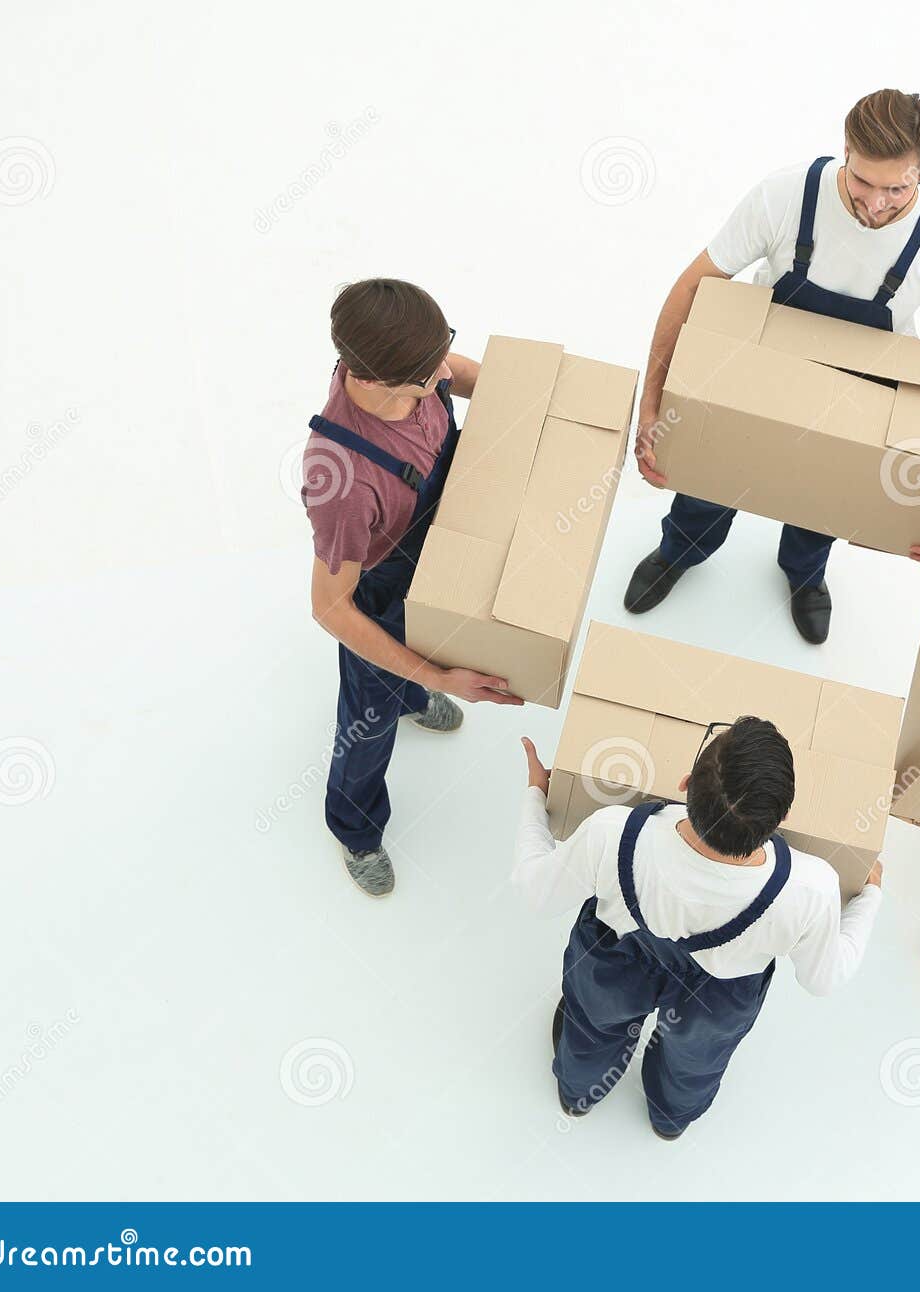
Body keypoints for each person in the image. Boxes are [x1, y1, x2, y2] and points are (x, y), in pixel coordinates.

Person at [624, 88, 920, 644]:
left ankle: (804, 575)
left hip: (861, 395)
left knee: (825, 501)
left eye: (897, 188)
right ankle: (681, 548)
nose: (876, 204)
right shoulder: (785, 196)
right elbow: (691, 288)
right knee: (712, 473)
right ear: (845, 152)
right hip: (757, 368)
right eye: (863, 182)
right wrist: (651, 405)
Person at [514, 718, 882, 1138]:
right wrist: (868, 900)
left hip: (614, 961)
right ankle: (670, 1119)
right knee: (696, 1060)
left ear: (685, 782)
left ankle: (578, 1094)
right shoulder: (812, 887)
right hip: (720, 995)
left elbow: (537, 893)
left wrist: (534, 799)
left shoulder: (613, 831)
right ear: (781, 818)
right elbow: (823, 979)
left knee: (592, 1027)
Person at [304, 279, 522, 898]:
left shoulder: (417, 361)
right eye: (425, 378)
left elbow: (457, 369)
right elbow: (329, 607)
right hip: (382, 589)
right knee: (367, 726)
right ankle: (355, 826)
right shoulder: (342, 484)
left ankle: (410, 692)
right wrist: (437, 677)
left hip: (440, 541)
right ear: (367, 378)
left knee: (438, 641)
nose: (441, 376)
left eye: (440, 354)